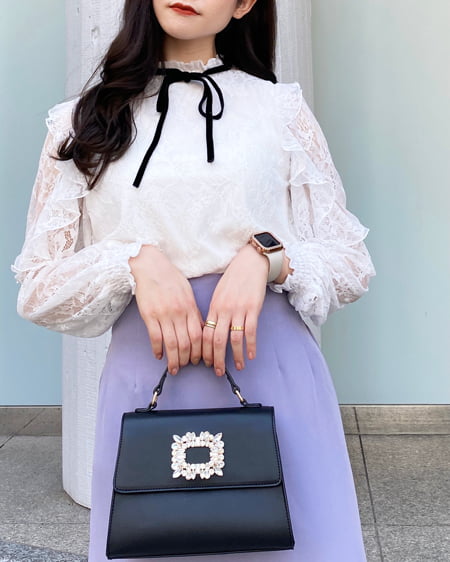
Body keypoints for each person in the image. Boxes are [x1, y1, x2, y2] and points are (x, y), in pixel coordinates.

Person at [12, 0, 376, 560]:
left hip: (274, 373)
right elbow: (37, 287)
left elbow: (350, 261)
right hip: (148, 380)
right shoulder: (82, 120)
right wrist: (131, 260)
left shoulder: (279, 110)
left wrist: (265, 258)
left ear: (244, 4)